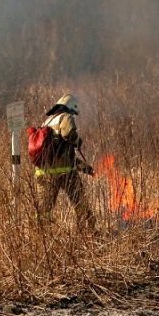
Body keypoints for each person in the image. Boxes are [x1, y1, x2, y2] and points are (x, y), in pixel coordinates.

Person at [35, 94, 95, 229]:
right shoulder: (65, 117)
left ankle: (40, 233)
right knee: (80, 201)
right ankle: (87, 230)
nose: (72, 115)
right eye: (73, 113)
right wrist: (77, 141)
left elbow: (64, 155)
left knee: (44, 209)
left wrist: (86, 168)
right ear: (70, 108)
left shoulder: (47, 122)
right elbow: (69, 134)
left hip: (44, 173)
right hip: (65, 172)